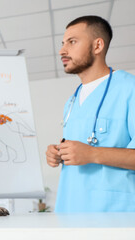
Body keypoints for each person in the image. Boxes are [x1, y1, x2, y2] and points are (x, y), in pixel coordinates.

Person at [46, 15, 135, 212]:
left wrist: (92, 154)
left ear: (97, 46)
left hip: (115, 214)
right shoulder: (72, 101)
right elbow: (79, 150)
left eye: (72, 42)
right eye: (62, 43)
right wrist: (58, 153)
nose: (62, 50)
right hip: (70, 210)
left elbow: (89, 151)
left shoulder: (130, 89)